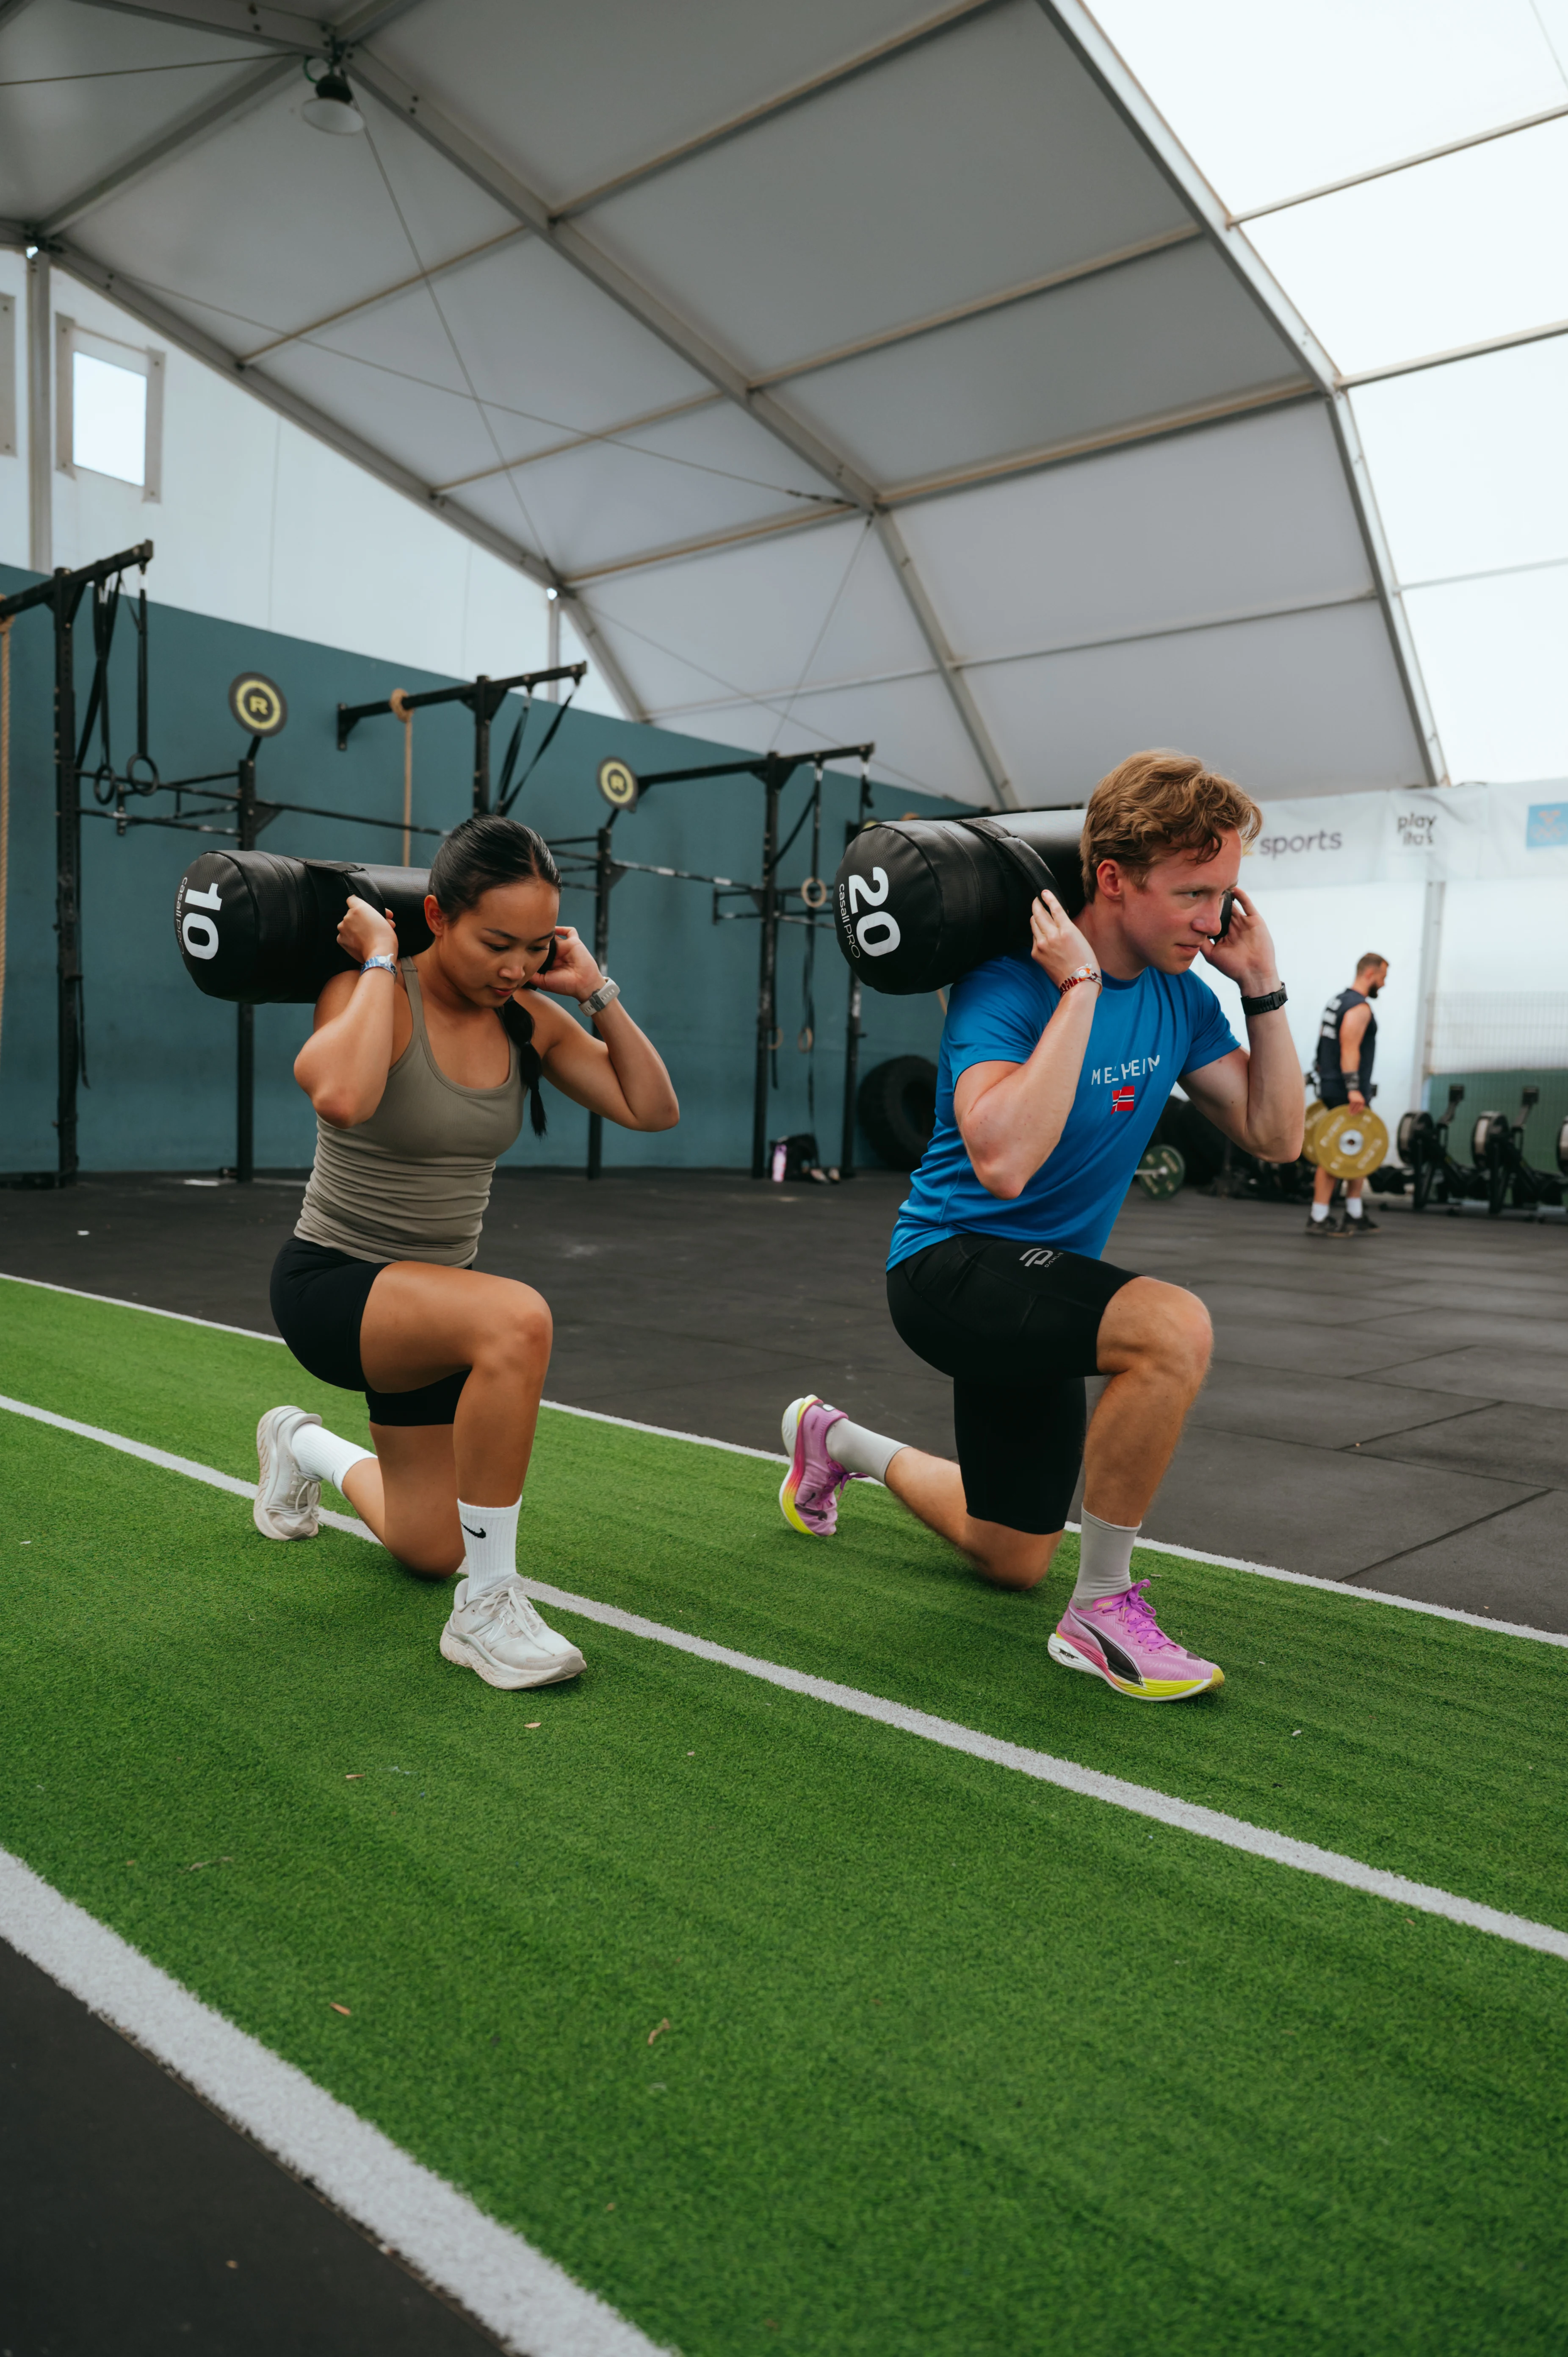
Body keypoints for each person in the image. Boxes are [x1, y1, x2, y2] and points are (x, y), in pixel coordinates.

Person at [777, 751, 1302, 1704]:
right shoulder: (1009, 984)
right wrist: (1077, 989)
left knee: (1009, 1550)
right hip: (948, 1268)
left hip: (1038, 1281)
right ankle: (1101, 1611)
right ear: (1112, 878)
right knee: (1171, 1325)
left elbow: (1275, 1134)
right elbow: (1004, 1159)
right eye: (1194, 891)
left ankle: (835, 1442)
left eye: (1227, 893)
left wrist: (1262, 989)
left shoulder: (1183, 998)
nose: (1215, 917)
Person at [252, 814, 679, 1691]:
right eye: (496, 942)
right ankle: (486, 1610)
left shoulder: (529, 1020)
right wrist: (375, 957)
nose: (517, 967)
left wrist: (596, 990)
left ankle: (301, 1447)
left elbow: (650, 1107)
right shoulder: (369, 991)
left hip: (432, 1313)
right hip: (334, 1286)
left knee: (424, 1544)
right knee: (515, 1318)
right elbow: (339, 1091)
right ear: (437, 915)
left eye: (536, 945)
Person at [1308, 954, 1389, 1237]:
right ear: (1370, 974)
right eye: (1383, 977)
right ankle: (1318, 1217)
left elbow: (1323, 1044)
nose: (1383, 983)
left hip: (1333, 1084)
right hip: (1346, 1089)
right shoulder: (1359, 1008)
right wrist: (1354, 1088)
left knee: (1357, 1147)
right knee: (1335, 1153)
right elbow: (1349, 1048)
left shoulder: (1337, 1001)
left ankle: (1354, 1213)